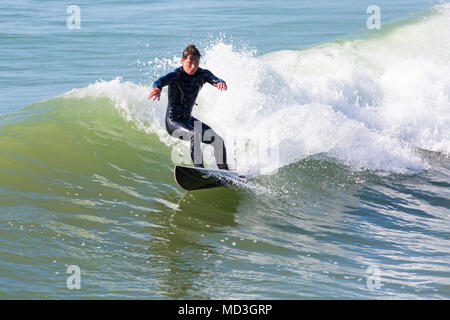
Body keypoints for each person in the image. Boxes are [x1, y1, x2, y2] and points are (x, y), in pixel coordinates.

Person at [148, 44, 229, 170]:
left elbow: (215, 79)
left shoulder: (202, 74)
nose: (193, 66)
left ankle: (225, 173)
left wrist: (220, 82)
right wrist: (157, 88)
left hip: (188, 120)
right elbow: (159, 81)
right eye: (190, 62)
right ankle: (200, 170)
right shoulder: (176, 75)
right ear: (183, 60)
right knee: (194, 135)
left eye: (196, 63)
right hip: (173, 122)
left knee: (218, 140)